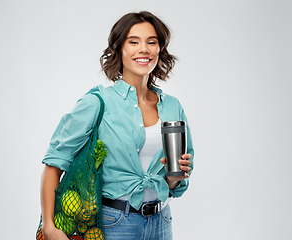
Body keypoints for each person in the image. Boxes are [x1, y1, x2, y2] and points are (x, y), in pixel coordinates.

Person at [40, 11, 194, 240]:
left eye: (152, 42)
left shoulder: (173, 107)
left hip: (161, 222)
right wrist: (49, 227)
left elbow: (175, 184)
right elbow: (54, 164)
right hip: (115, 224)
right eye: (134, 42)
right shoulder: (97, 102)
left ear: (159, 50)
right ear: (119, 49)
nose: (144, 49)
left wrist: (174, 177)